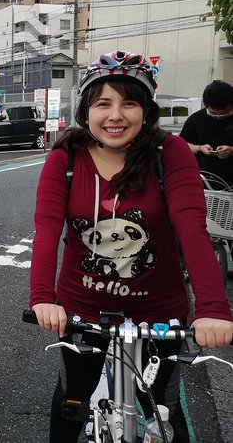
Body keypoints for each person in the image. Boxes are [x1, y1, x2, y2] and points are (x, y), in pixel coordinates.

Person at [29, 51, 233, 443]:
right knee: (71, 402)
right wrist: (42, 297)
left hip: (157, 311)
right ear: (86, 111)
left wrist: (213, 309)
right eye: (103, 103)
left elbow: (192, 229)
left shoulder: (168, 153)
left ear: (146, 111)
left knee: (164, 413)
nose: (115, 115)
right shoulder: (66, 158)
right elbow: (47, 229)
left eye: (129, 103)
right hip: (82, 307)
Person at [180, 80, 233, 190]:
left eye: (225, 113)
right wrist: (199, 148)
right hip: (202, 182)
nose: (219, 117)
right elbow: (180, 145)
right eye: (213, 113)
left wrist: (231, 151)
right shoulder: (196, 119)